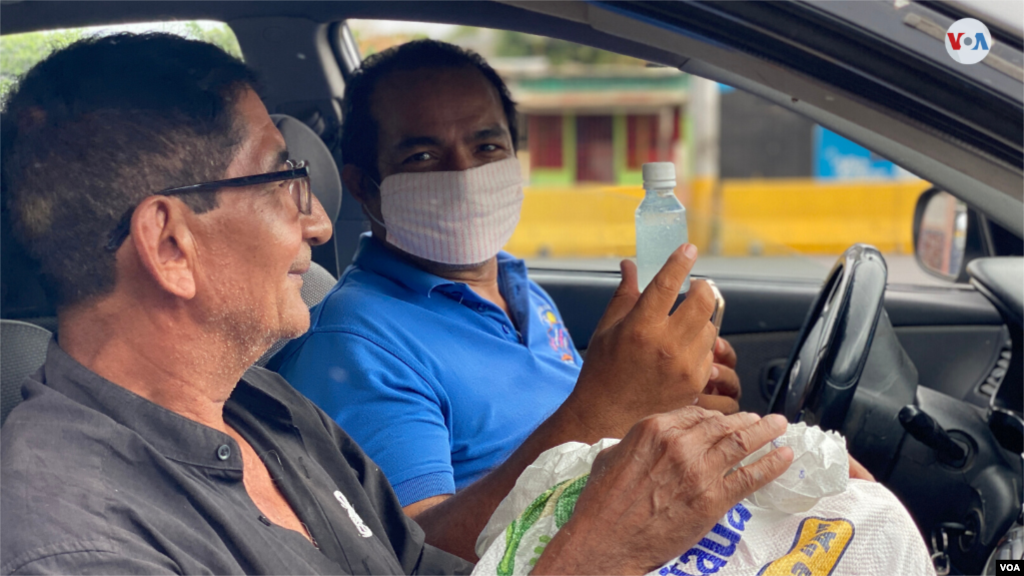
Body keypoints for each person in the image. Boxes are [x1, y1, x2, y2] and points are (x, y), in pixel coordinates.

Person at [0, 33, 795, 574]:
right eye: (282, 182)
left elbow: (420, 566)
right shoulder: (73, 536)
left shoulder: (265, 412)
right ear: (170, 245)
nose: (316, 223)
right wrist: (592, 551)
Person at [272, 40, 741, 540]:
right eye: (423, 154)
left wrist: (663, 407)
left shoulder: (521, 293)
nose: (465, 174)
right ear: (365, 186)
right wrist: (610, 405)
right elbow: (417, 555)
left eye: (487, 147)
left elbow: (582, 446)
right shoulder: (352, 345)